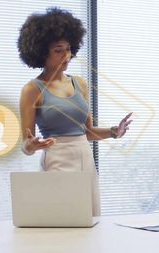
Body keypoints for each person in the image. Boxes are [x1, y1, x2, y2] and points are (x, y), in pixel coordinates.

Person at [17, 8, 132, 216]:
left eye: (69, 49)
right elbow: (25, 146)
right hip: (57, 158)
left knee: (90, 219)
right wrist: (32, 145)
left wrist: (114, 131)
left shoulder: (79, 83)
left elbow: (87, 132)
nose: (66, 55)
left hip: (85, 157)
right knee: (63, 219)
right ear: (42, 52)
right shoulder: (32, 89)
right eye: (58, 50)